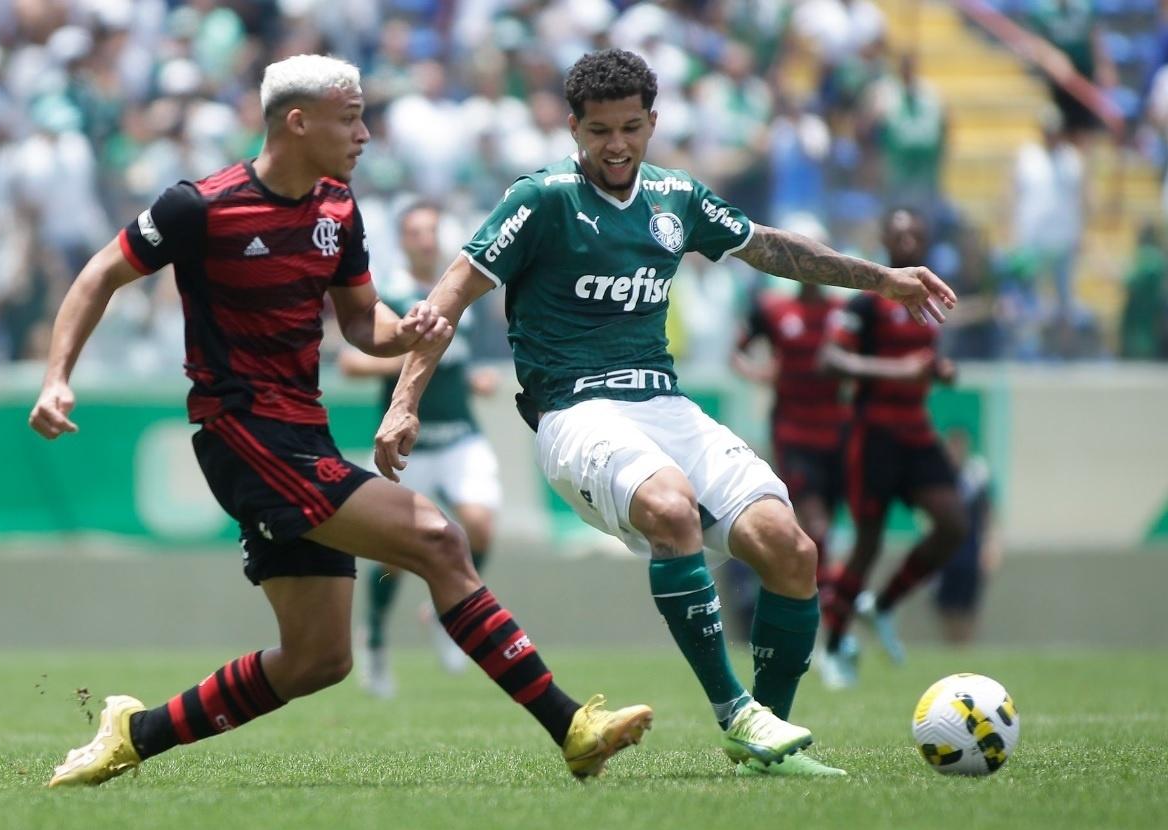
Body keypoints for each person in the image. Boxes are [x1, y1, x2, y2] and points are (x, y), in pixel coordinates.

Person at [29, 55, 652, 788]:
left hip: (303, 431)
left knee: (318, 658)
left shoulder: (337, 208)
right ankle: (571, 726)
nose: (364, 133)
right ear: (298, 121)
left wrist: (408, 330)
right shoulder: (199, 206)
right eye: (350, 117)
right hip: (243, 432)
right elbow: (102, 272)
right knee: (438, 537)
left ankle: (134, 734)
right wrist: (56, 377)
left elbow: (362, 323)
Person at [374, 50, 956, 777]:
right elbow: (450, 297)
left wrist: (881, 281)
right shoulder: (542, 199)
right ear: (573, 128)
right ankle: (734, 711)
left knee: (792, 548)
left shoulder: (675, 197)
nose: (615, 145)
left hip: (665, 405)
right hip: (575, 412)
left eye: (630, 127)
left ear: (652, 121)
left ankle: (765, 739)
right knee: (671, 508)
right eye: (598, 131)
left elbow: (771, 248)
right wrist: (404, 403)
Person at [339, 200, 502, 697]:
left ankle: (445, 611)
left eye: (432, 231)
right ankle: (376, 638)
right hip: (406, 446)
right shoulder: (389, 294)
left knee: (480, 524)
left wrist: (469, 377)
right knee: (394, 555)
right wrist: (412, 359)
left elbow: (458, 357)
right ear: (404, 239)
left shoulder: (460, 292)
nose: (426, 241)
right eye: (416, 233)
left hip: (459, 436)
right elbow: (350, 363)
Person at [817, 207, 968, 688]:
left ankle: (880, 606)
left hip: (916, 431)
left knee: (954, 524)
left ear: (924, 240)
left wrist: (938, 371)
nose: (906, 240)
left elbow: (923, 360)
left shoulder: (927, 300)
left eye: (915, 232)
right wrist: (897, 371)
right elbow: (830, 360)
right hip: (873, 433)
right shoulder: (867, 302)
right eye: (897, 232)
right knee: (867, 544)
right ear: (884, 239)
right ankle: (835, 646)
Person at [730, 221, 849, 594]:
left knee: (824, 523)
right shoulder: (774, 309)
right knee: (815, 523)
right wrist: (762, 374)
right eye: (805, 254)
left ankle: (819, 601)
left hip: (836, 431)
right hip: (793, 430)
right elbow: (737, 350)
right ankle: (826, 601)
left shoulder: (844, 313)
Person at [933, 427, 997, 646]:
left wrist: (990, 545)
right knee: (946, 603)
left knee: (968, 603)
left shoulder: (976, 477)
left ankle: (965, 645)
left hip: (970, 550)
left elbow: (988, 513)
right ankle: (951, 643)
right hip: (946, 551)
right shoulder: (940, 478)